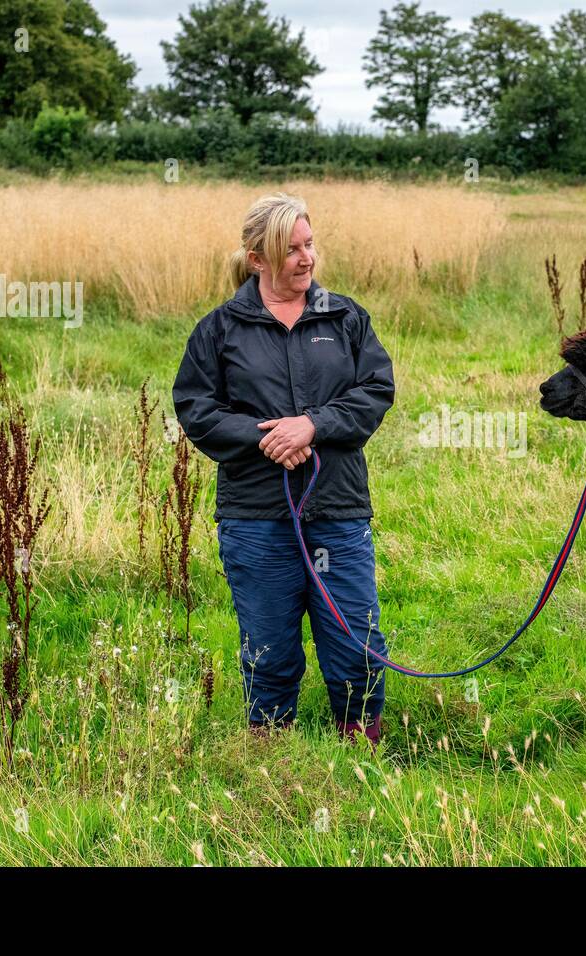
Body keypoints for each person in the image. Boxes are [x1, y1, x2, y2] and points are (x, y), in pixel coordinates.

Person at [172, 192, 395, 748]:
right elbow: (195, 408)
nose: (306, 258)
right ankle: (268, 756)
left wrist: (313, 426)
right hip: (256, 515)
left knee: (355, 641)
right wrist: (267, 436)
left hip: (338, 509)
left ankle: (360, 749)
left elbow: (376, 389)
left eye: (309, 244)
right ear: (257, 259)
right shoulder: (220, 331)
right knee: (269, 644)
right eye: (290, 249)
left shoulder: (344, 318)